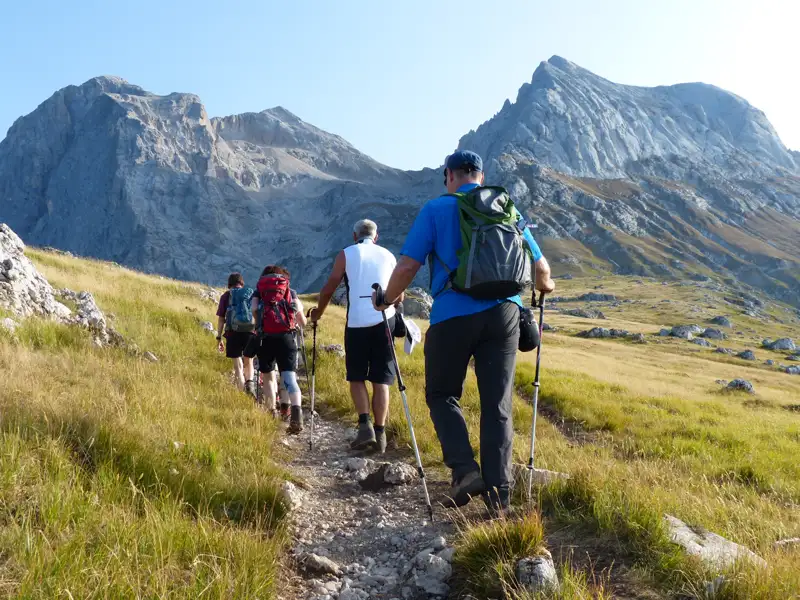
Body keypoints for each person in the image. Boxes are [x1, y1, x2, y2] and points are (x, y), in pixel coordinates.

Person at [374, 150, 555, 512]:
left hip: (453, 314)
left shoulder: (436, 209)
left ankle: (464, 471)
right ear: (481, 177)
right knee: (497, 405)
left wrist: (387, 300)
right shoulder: (508, 209)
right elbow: (542, 268)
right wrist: (544, 289)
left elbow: (408, 265)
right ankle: (499, 498)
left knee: (441, 394)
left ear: (449, 176)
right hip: (505, 315)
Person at [309, 219, 402, 453]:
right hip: (385, 320)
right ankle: (380, 435)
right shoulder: (389, 255)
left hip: (357, 321)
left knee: (357, 376)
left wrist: (318, 313)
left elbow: (330, 286)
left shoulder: (347, 254)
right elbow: (399, 292)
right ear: (376, 236)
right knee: (381, 380)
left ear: (354, 236)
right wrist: (393, 307)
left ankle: (365, 427)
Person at [244, 265, 308, 433]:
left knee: (269, 377)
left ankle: (272, 411)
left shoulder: (259, 291)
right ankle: (296, 415)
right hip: (287, 338)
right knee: (289, 377)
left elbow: (253, 311)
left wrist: (261, 325)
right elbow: (303, 322)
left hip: (265, 338)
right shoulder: (290, 291)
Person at [216, 272, 257, 396]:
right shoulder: (250, 294)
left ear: (229, 284)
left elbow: (221, 319)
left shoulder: (226, 296)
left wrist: (219, 337)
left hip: (233, 333)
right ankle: (250, 383)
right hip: (250, 331)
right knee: (248, 360)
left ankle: (241, 393)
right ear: (242, 282)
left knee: (238, 365)